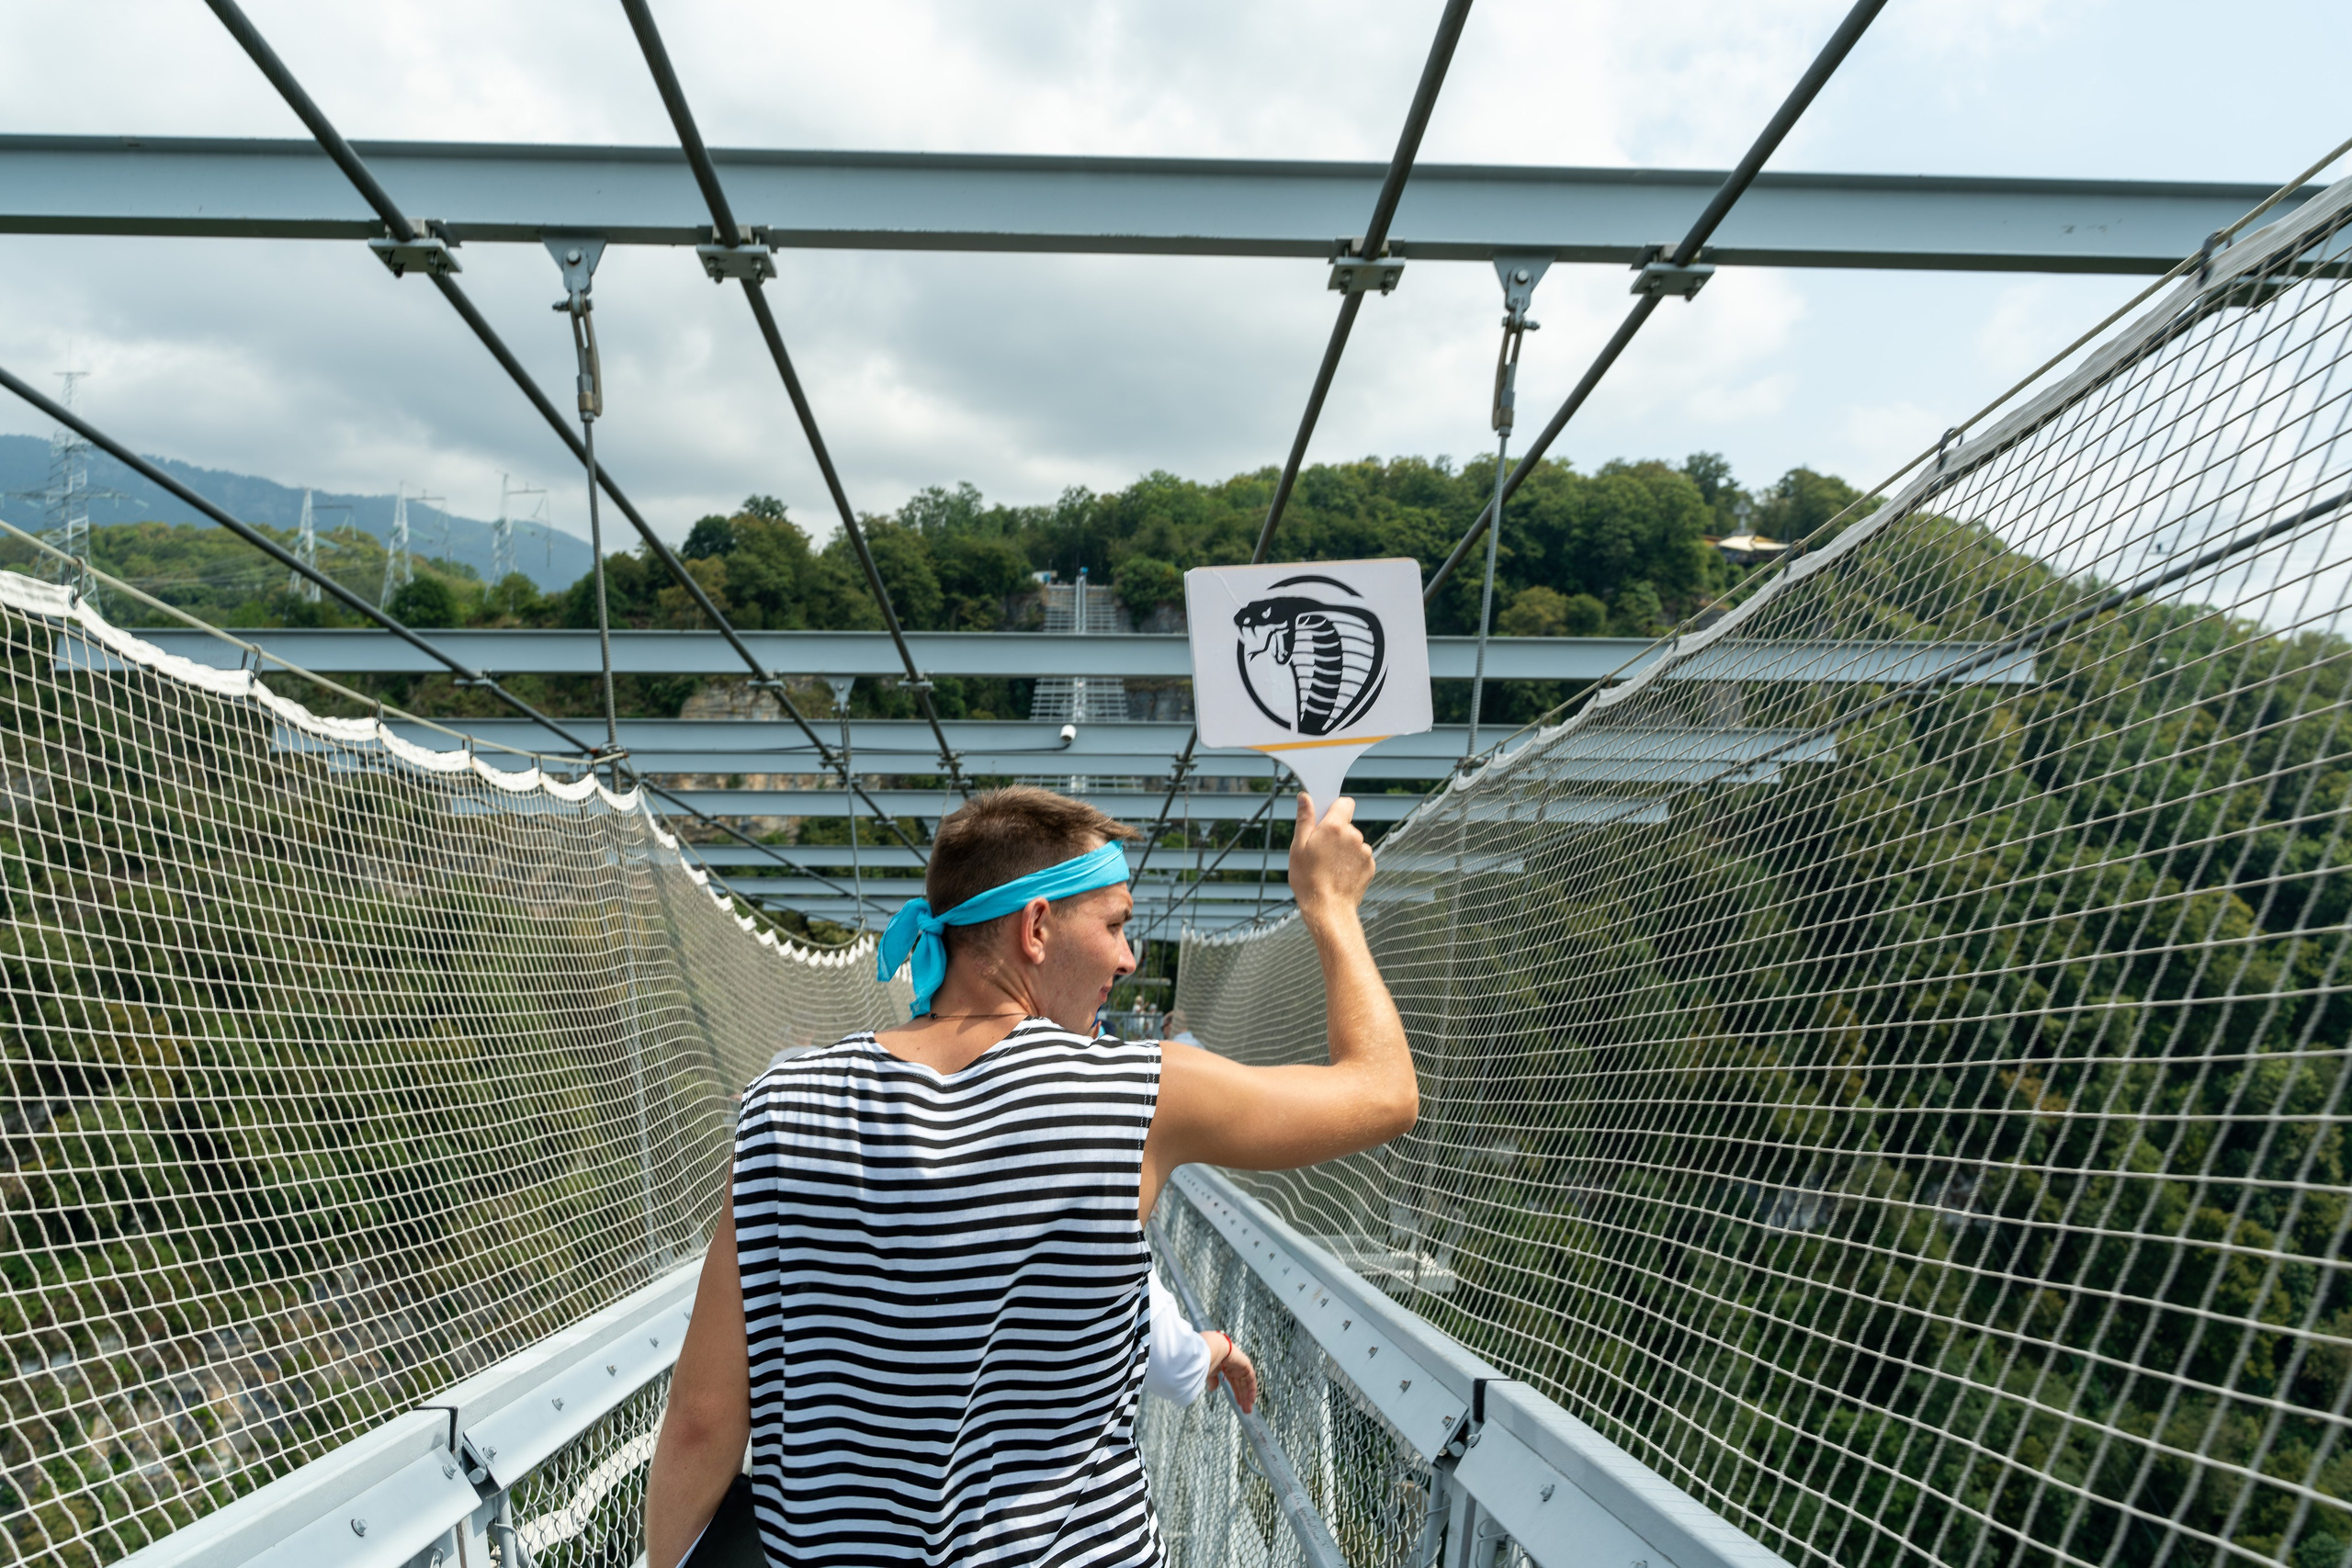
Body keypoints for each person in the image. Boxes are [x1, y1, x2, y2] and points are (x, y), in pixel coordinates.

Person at [645, 785, 1412, 1567]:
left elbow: (705, 1418)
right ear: (1037, 927)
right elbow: (1383, 1093)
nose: (1128, 957)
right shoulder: (1135, 1096)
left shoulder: (782, 1103)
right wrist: (1331, 905)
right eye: (1115, 924)